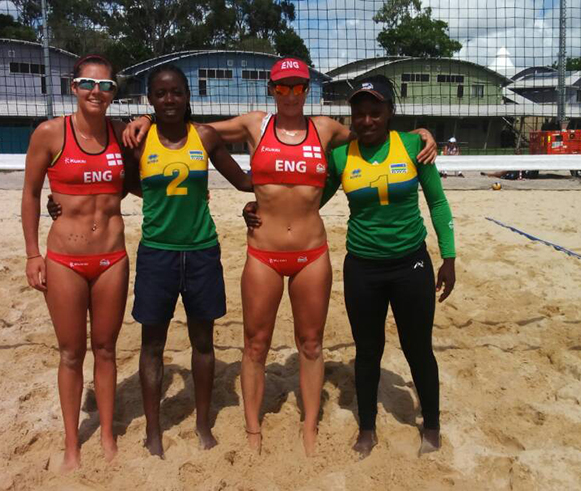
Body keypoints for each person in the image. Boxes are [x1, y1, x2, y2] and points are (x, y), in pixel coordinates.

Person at [122, 58, 437, 457]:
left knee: (311, 344)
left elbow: (372, 130)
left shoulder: (325, 129)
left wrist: (421, 133)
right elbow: (186, 127)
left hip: (311, 253)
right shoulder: (255, 124)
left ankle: (309, 427)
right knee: (255, 345)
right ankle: (253, 430)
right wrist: (146, 119)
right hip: (264, 252)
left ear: (308, 90)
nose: (290, 94)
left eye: (298, 87)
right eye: (282, 87)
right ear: (272, 90)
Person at [245, 75, 456, 459]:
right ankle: (367, 428)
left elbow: (438, 204)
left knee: (417, 347)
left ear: (390, 112)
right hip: (363, 266)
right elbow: (309, 201)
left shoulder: (412, 145)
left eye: (375, 112)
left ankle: (433, 426)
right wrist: (261, 211)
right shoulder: (342, 156)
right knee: (367, 349)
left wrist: (450, 257)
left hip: (411, 262)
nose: (367, 120)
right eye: (359, 114)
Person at [48, 65, 252, 458]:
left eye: (176, 92)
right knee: (152, 345)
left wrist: (292, 184)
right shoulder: (136, 142)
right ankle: (153, 432)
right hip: (157, 252)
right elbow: (113, 184)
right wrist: (59, 202)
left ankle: (203, 424)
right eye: (160, 94)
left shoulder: (204, 137)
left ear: (188, 95)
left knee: (203, 342)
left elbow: (243, 180)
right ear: (150, 100)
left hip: (201, 251)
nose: (169, 100)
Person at [22, 54, 129, 472]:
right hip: (65, 258)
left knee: (106, 349)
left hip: (112, 258)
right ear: (73, 87)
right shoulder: (50, 133)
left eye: (105, 86)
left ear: (114, 93)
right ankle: (72, 443)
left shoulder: (122, 134)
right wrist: (33, 254)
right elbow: (31, 194)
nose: (96, 92)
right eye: (88, 83)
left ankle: (105, 433)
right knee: (70, 352)